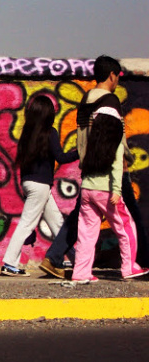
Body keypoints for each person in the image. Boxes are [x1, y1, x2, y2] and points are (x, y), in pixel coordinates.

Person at [39, 55, 149, 278]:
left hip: (90, 169)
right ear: (112, 75)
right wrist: (124, 160)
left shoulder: (86, 101)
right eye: (117, 77)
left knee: (84, 223)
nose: (117, 81)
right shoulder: (110, 101)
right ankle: (136, 263)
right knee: (128, 220)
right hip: (111, 170)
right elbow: (116, 139)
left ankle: (64, 261)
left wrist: (86, 160)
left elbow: (82, 138)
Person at [0, 94, 79, 276]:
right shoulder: (50, 133)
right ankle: (9, 264)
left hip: (30, 183)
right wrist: (80, 153)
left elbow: (23, 163)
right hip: (41, 186)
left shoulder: (27, 134)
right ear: (48, 114)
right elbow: (61, 157)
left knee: (58, 224)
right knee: (26, 224)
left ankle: (75, 259)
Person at [71, 108, 149, 283]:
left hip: (87, 190)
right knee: (126, 228)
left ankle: (81, 273)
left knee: (86, 233)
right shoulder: (115, 143)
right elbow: (117, 168)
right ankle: (129, 267)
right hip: (106, 192)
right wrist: (116, 191)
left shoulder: (92, 142)